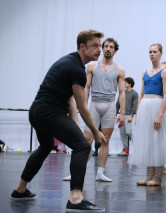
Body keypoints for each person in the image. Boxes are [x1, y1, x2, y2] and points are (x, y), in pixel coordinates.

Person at [10, 29, 106, 212]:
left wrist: (76, 125)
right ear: (82, 46)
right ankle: (76, 199)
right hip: (49, 112)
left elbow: (70, 100)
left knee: (46, 146)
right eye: (95, 46)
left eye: (100, 46)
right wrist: (95, 131)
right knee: (83, 146)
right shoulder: (76, 68)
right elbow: (82, 105)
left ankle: (20, 190)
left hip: (37, 111)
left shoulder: (70, 62)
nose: (99, 50)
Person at [64, 37, 126, 182]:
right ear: (102, 48)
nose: (108, 49)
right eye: (106, 46)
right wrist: (82, 106)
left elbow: (122, 92)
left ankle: (100, 173)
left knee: (105, 140)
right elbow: (86, 87)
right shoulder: (92, 66)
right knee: (86, 140)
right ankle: (76, 172)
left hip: (110, 106)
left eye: (111, 47)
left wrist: (122, 113)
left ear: (115, 51)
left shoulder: (120, 70)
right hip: (94, 106)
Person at [129, 43, 166, 186]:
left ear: (161, 53)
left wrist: (160, 114)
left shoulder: (164, 72)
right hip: (145, 106)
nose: (152, 54)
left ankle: (158, 177)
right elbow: (141, 94)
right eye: (150, 52)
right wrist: (137, 113)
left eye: (154, 51)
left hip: (157, 105)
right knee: (148, 141)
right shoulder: (145, 73)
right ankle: (149, 176)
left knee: (158, 142)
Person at [116, 77, 139, 156]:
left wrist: (131, 116)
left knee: (129, 132)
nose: (123, 84)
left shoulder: (134, 94)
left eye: (125, 82)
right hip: (121, 115)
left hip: (129, 115)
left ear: (129, 84)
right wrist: (116, 115)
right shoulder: (121, 93)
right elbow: (117, 105)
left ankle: (137, 148)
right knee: (122, 133)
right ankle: (125, 150)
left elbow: (135, 106)